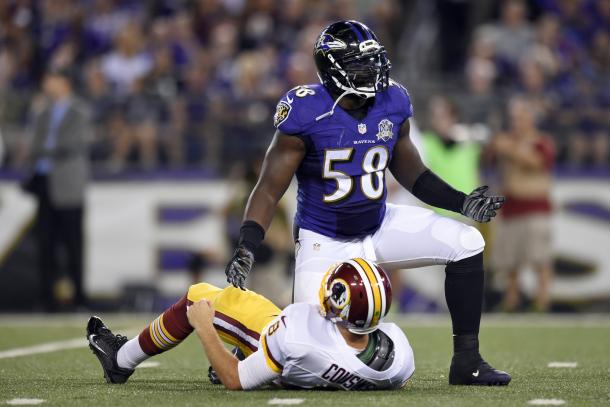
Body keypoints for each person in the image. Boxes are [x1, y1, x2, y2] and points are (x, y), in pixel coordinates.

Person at [224, 20, 510, 385]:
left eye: (374, 61)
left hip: (378, 224)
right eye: (361, 64)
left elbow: (414, 174)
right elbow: (267, 189)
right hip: (323, 240)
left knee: (468, 243)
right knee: (301, 355)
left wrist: (462, 203)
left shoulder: (392, 101)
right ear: (333, 69)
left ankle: (467, 361)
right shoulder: (305, 111)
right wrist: (248, 244)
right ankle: (247, 348)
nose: (373, 71)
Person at [87, 259, 415, 390]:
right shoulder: (398, 356)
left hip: (282, 355)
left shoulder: (296, 333)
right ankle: (247, 353)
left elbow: (235, 380)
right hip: (302, 367)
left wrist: (203, 328)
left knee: (197, 296)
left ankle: (120, 360)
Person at [22, 68, 90, 311]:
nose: (48, 84)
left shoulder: (79, 111)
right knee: (46, 244)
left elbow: (72, 143)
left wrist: (45, 150)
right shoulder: (42, 112)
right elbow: (32, 145)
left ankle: (79, 298)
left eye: (53, 80)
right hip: (45, 183)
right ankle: (46, 299)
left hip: (68, 186)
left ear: (65, 83)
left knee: (73, 244)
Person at [491, 97, 556, 312]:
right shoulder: (507, 141)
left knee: (540, 259)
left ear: (530, 119)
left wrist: (508, 148)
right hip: (511, 210)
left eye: (520, 118)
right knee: (510, 263)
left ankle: (542, 302)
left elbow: (536, 163)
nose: (516, 123)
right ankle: (511, 301)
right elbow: (487, 155)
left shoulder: (541, 141)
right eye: (513, 118)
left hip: (535, 209)